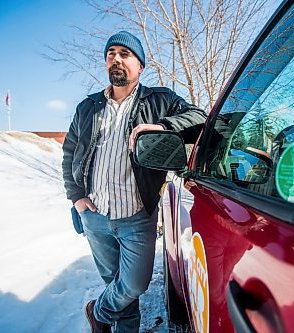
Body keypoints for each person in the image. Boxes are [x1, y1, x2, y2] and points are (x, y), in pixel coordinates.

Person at [62, 31, 206, 333]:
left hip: (138, 216)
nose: (116, 58)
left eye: (125, 53)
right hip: (95, 216)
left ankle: (98, 311)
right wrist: (76, 197)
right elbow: (70, 152)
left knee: (134, 284)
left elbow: (199, 117)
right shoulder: (87, 108)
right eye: (111, 53)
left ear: (140, 66)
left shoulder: (160, 100)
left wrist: (163, 125)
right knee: (115, 285)